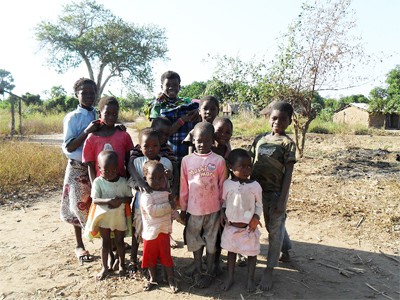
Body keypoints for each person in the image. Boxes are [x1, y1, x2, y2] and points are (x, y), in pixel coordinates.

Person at [249, 101, 296, 291]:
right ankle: (285, 249)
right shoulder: (260, 139)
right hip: (255, 192)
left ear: (289, 121)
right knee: (257, 224)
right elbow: (250, 161)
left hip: (275, 193)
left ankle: (269, 269)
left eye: (283, 119)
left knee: (274, 230)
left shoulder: (287, 144)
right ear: (269, 118)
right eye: (274, 118)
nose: (277, 122)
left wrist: (282, 200)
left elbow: (288, 174)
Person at [179, 122, 227, 288]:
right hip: (193, 211)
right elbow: (184, 187)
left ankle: (209, 272)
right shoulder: (186, 161)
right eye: (199, 141)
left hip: (213, 211)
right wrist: (183, 209)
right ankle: (198, 269)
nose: (202, 144)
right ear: (193, 140)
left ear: (213, 141)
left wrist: (222, 209)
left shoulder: (219, 161)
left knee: (212, 242)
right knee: (195, 241)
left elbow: (222, 187)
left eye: (206, 141)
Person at [60, 78, 101, 264]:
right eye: (85, 93)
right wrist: (87, 131)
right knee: (78, 205)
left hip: (98, 165)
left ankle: (108, 242)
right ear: (77, 94)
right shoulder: (72, 118)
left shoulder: (98, 113)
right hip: (78, 167)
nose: (89, 96)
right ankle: (79, 245)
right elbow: (69, 147)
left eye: (92, 92)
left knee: (99, 202)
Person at [127, 128, 173, 272]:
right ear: (140, 147)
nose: (151, 149)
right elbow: (130, 181)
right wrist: (140, 184)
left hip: (161, 206)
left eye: (155, 146)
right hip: (141, 207)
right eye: (146, 146)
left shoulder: (165, 162)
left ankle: (157, 260)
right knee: (138, 232)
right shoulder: (138, 162)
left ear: (160, 146)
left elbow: (169, 182)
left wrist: (169, 176)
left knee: (158, 234)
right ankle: (133, 258)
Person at [84, 150, 133, 280]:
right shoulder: (98, 182)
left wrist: (120, 201)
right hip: (104, 218)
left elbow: (129, 198)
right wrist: (108, 201)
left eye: (113, 170)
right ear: (99, 169)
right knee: (105, 243)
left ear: (118, 168)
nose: (110, 174)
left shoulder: (123, 182)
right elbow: (95, 200)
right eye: (106, 171)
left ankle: (122, 265)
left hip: (119, 217)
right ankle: (105, 267)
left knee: (120, 242)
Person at [220, 149, 263, 292]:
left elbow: (259, 204)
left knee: (251, 253)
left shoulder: (255, 185)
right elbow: (224, 202)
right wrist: (222, 213)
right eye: (242, 166)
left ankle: (250, 279)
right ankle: (230, 277)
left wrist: (256, 217)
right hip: (231, 227)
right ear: (231, 167)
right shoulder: (227, 184)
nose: (247, 169)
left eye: (249, 166)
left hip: (248, 228)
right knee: (231, 252)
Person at [140, 160, 178, 293]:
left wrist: (178, 216)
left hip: (164, 231)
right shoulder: (146, 196)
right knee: (150, 258)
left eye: (160, 177)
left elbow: (173, 211)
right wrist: (170, 206)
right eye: (153, 178)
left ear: (165, 177)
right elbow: (153, 212)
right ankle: (152, 278)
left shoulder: (166, 193)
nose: (157, 181)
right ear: (145, 178)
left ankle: (171, 279)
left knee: (166, 257)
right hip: (151, 234)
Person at [147, 70, 200, 161]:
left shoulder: (187, 103)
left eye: (175, 85)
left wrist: (197, 111)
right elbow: (155, 133)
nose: (171, 88)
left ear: (179, 87)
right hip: (165, 155)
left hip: (186, 153)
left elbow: (203, 109)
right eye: (168, 85)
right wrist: (182, 120)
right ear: (161, 87)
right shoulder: (157, 106)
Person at [82, 96, 134, 183]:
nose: (111, 117)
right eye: (107, 113)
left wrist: (128, 183)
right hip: (101, 185)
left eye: (114, 114)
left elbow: (128, 161)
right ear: (99, 113)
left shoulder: (124, 135)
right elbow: (90, 166)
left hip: (121, 183)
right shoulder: (92, 138)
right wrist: (94, 186)